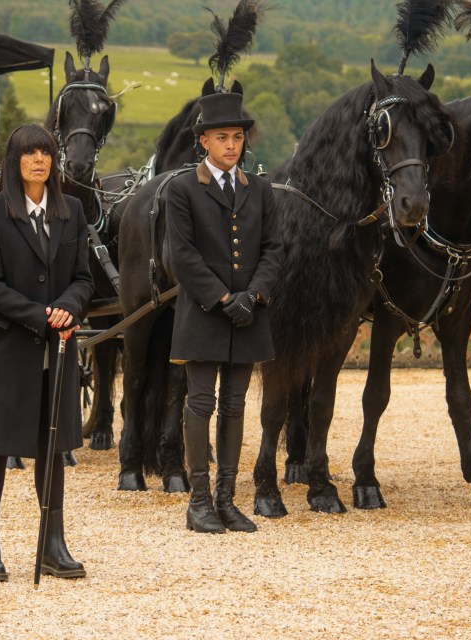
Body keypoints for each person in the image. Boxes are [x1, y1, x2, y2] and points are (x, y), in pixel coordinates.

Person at [0, 123, 93, 582]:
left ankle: (52, 543)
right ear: (14, 160)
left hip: (57, 349)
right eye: (29, 152)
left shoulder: (72, 211)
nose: (39, 159)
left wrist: (68, 307)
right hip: (5, 348)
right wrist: (43, 314)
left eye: (46, 152)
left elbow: (83, 278)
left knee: (52, 446)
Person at [166, 91, 282, 534]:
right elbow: (183, 256)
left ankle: (227, 501)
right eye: (222, 137)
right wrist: (221, 299)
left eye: (237, 137)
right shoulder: (182, 189)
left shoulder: (261, 191)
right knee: (201, 402)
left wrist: (252, 296)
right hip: (204, 311)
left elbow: (274, 249)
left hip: (249, 313)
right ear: (203, 143)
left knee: (235, 406)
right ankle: (198, 503)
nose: (232, 145)